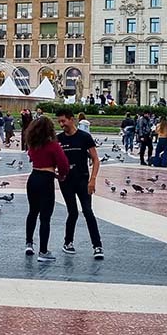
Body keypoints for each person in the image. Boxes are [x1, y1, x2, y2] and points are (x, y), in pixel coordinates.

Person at [56, 110, 103, 259]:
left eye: (63, 121)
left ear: (72, 120)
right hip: (66, 181)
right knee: (72, 212)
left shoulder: (84, 137)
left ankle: (97, 246)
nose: (61, 124)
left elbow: (95, 159)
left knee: (88, 212)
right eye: (59, 122)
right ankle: (68, 242)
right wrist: (56, 174)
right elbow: (53, 160)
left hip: (83, 180)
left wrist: (93, 179)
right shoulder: (58, 139)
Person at [24, 116, 70, 262]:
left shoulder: (32, 144)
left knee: (32, 212)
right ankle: (43, 251)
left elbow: (32, 157)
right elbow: (64, 165)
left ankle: (29, 243)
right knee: (45, 217)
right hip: (46, 180)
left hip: (33, 178)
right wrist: (61, 175)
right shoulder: (53, 145)